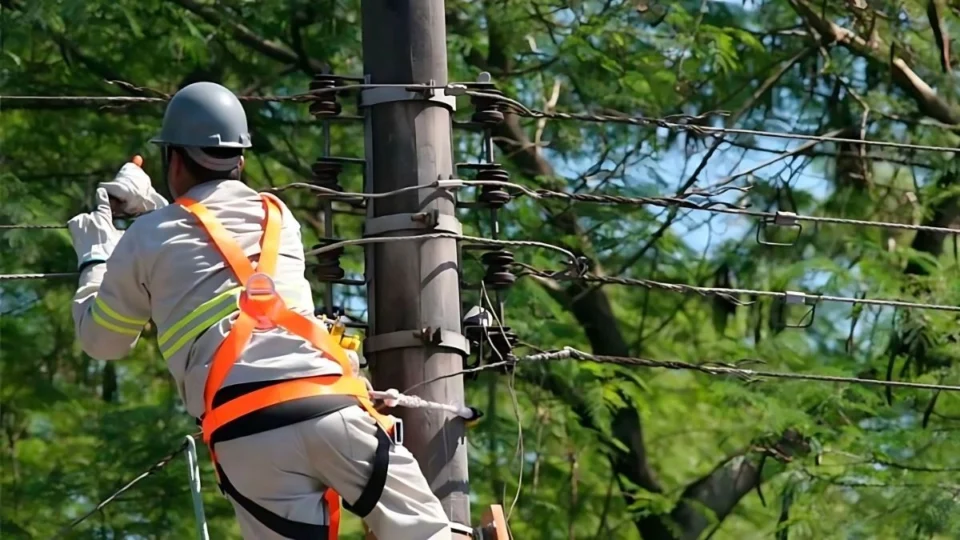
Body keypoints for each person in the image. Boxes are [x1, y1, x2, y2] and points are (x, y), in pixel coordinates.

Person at [67, 81, 452, 540]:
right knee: (427, 534)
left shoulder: (146, 239)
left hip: (248, 435)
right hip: (329, 406)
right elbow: (206, 236)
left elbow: (104, 341)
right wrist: (155, 210)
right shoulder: (279, 215)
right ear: (241, 160)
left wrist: (97, 256)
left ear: (172, 158)